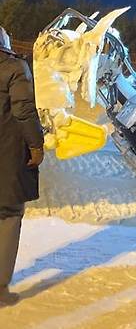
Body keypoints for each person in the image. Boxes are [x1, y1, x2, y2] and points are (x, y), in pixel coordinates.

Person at [0, 27, 44, 307]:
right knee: (8, 215)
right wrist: (37, 145)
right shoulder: (15, 68)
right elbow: (24, 110)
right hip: (7, 157)